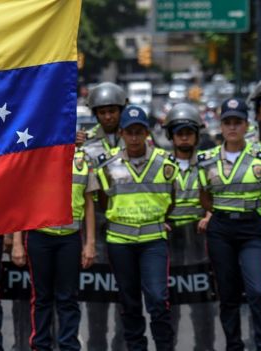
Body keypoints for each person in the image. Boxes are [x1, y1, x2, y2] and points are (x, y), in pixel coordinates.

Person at [94, 105, 177, 351]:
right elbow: (103, 200)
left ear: (147, 133)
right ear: (121, 133)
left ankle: (164, 346)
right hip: (120, 241)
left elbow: (170, 199)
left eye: (139, 131)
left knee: (157, 299)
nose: (133, 137)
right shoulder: (107, 164)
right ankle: (136, 347)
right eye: (129, 132)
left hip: (153, 240)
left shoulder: (164, 162)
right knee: (129, 301)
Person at [197, 98, 261, 351]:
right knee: (228, 295)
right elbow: (204, 196)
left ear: (246, 124)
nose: (232, 127)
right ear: (221, 125)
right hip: (222, 230)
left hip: (253, 229)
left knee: (258, 290)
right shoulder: (206, 158)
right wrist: (217, 214)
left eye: (237, 122)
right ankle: (234, 346)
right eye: (227, 122)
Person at [11, 147, 97, 351]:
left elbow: (89, 203)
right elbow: (22, 201)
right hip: (40, 236)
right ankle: (41, 346)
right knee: (42, 298)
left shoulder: (83, 159)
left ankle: (68, 346)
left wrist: (90, 243)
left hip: (70, 238)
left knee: (68, 298)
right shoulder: (35, 152)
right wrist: (16, 242)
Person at [162, 103, 217, 350]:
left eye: (188, 132)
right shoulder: (160, 164)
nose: (184, 136)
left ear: (197, 134)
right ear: (171, 136)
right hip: (171, 239)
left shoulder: (209, 163)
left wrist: (209, 214)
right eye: (179, 132)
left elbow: (219, 194)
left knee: (203, 305)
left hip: (200, 238)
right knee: (170, 304)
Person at [80, 81, 127, 351]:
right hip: (95, 226)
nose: (108, 116)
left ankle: (121, 346)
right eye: (102, 112)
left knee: (125, 296)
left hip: (126, 225)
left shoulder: (138, 138)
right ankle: (96, 345)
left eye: (112, 111)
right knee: (95, 295)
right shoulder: (85, 143)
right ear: (95, 113)